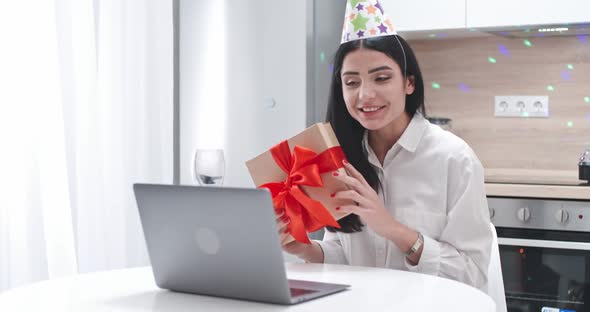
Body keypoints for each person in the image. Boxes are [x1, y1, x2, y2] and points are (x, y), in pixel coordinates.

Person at [276, 0, 492, 291]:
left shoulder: (455, 160)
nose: (365, 95)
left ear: (409, 83)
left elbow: (473, 276)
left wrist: (392, 229)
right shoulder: (339, 159)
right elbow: (343, 254)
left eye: (381, 78)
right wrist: (301, 247)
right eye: (351, 82)